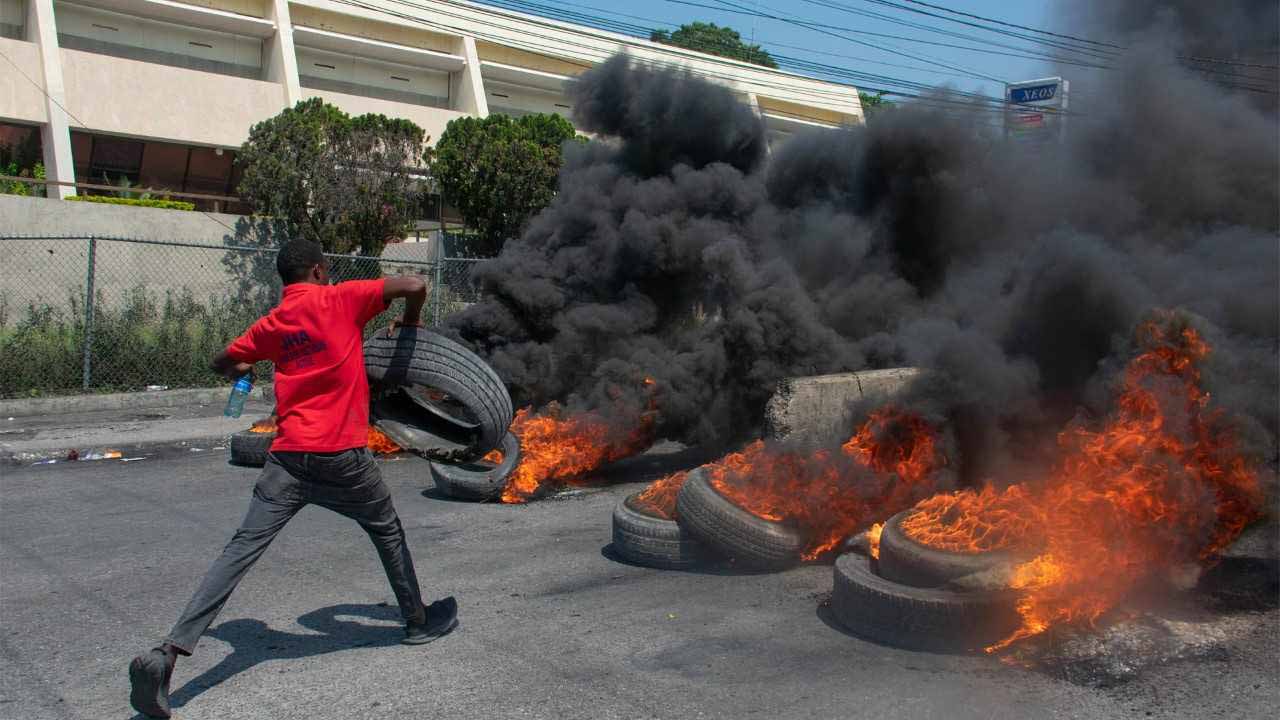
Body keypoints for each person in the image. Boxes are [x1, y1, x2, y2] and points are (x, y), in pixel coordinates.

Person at [128, 239, 457, 719]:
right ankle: (417, 621)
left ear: (284, 279)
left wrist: (249, 364)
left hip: (286, 459)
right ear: (321, 271)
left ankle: (169, 653)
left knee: (239, 550)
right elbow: (415, 283)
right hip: (342, 456)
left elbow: (223, 361)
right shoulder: (341, 298)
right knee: (386, 530)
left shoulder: (272, 324)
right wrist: (409, 322)